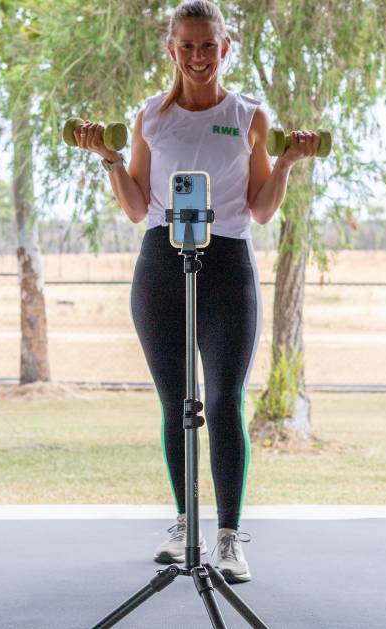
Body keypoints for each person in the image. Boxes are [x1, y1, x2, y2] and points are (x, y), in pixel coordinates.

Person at [73, 0, 320, 584]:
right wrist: (109, 158)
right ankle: (185, 523)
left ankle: (229, 538)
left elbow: (259, 211)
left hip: (227, 266)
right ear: (172, 50)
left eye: (208, 45)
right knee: (175, 404)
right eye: (187, 45)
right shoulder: (151, 118)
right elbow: (136, 208)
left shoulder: (249, 115)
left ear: (225, 48)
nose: (198, 56)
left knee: (225, 402)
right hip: (161, 263)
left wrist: (284, 164)